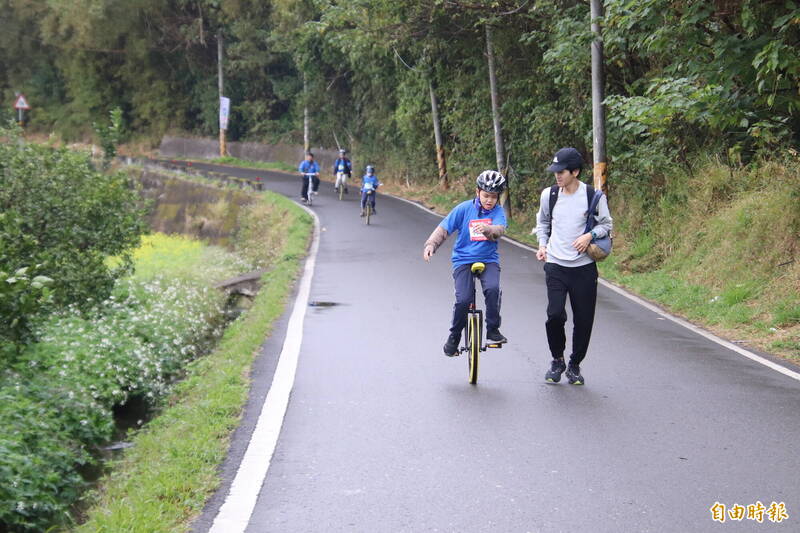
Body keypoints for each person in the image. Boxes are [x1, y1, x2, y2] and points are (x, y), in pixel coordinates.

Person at [534, 147, 612, 385]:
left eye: (562, 171)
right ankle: (557, 360)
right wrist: (542, 245)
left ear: (575, 172)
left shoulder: (593, 196)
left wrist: (589, 236)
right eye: (555, 171)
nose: (557, 176)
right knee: (554, 315)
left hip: (584, 268)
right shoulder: (549, 195)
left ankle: (575, 365)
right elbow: (543, 222)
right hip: (556, 264)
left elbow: (607, 224)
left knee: (584, 319)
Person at [423, 170, 508, 356]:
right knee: (463, 300)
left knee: (493, 289)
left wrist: (487, 229)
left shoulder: (498, 212)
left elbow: (499, 230)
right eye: (486, 195)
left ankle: (493, 329)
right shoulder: (463, 209)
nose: (489, 200)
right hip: (463, 260)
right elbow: (444, 228)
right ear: (477, 192)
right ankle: (454, 337)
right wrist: (431, 245)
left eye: (494, 197)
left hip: (488, 260)